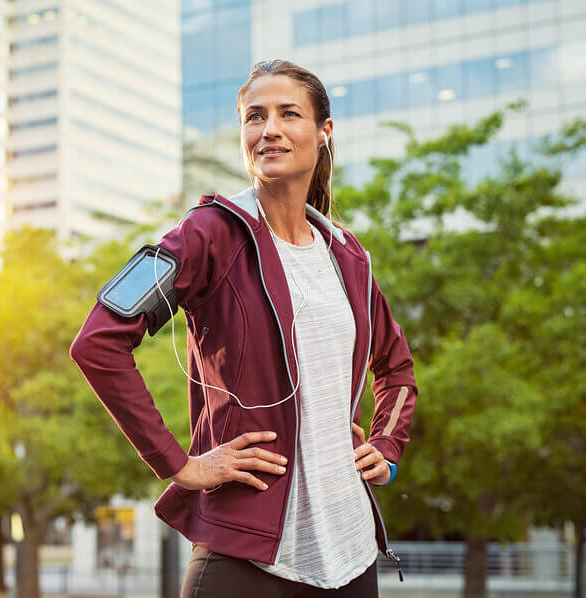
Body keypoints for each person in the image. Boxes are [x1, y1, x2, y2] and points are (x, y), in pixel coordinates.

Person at [69, 59, 418, 596]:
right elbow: (98, 344)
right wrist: (178, 464)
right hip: (245, 557)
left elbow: (395, 366)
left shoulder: (349, 257)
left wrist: (386, 448)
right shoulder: (206, 234)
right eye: (254, 116)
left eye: (288, 114)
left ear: (324, 132)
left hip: (351, 558)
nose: (269, 129)